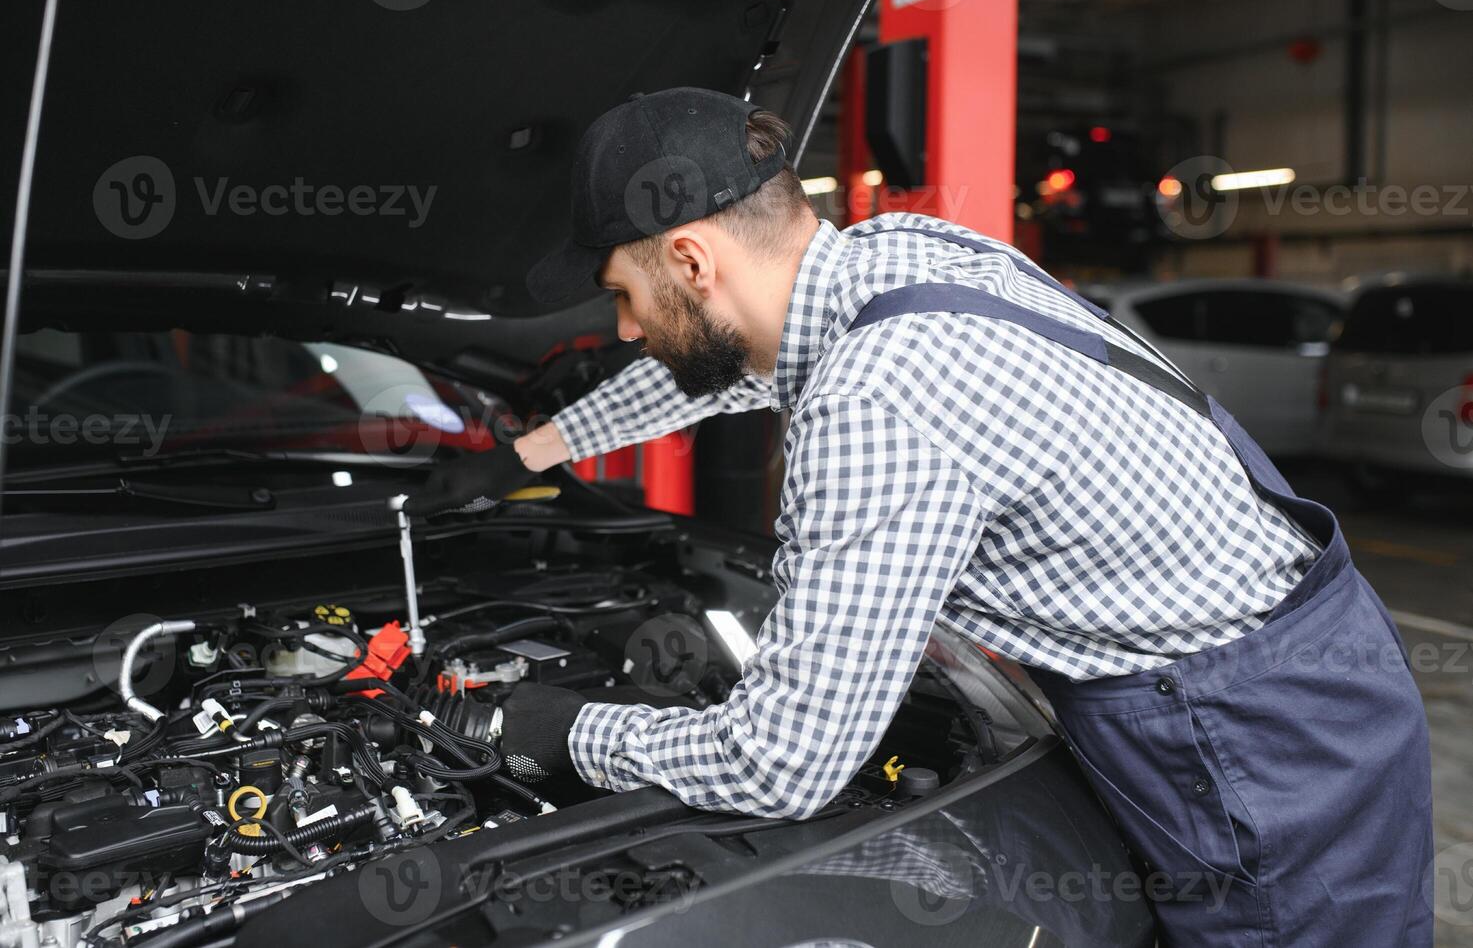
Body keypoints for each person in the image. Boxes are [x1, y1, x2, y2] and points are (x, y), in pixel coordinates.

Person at [406, 87, 1433, 945]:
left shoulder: (874, 394)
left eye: (623, 296)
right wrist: (528, 453)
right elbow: (720, 370)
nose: (625, 329)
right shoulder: (889, 258)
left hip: (1258, 744)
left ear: (687, 259)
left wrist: (571, 730)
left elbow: (785, 761)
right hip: (1304, 668)